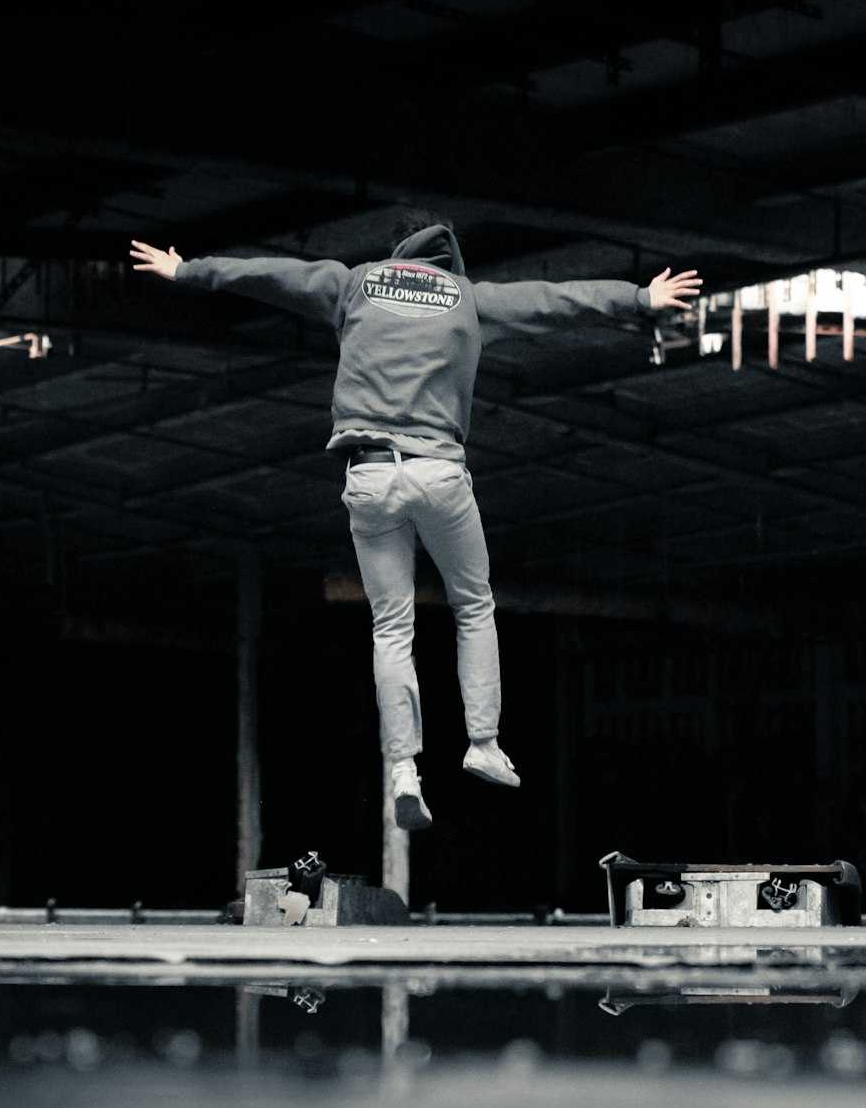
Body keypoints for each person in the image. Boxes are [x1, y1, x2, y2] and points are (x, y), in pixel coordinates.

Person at [130, 211, 700, 832]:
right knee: (473, 606)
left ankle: (404, 767)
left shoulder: (353, 284)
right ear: (447, 257)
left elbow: (275, 276)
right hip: (439, 475)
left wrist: (189, 270)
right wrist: (640, 296)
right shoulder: (469, 299)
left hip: (368, 475)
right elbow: (553, 301)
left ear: (396, 251)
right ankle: (482, 744)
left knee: (391, 627)